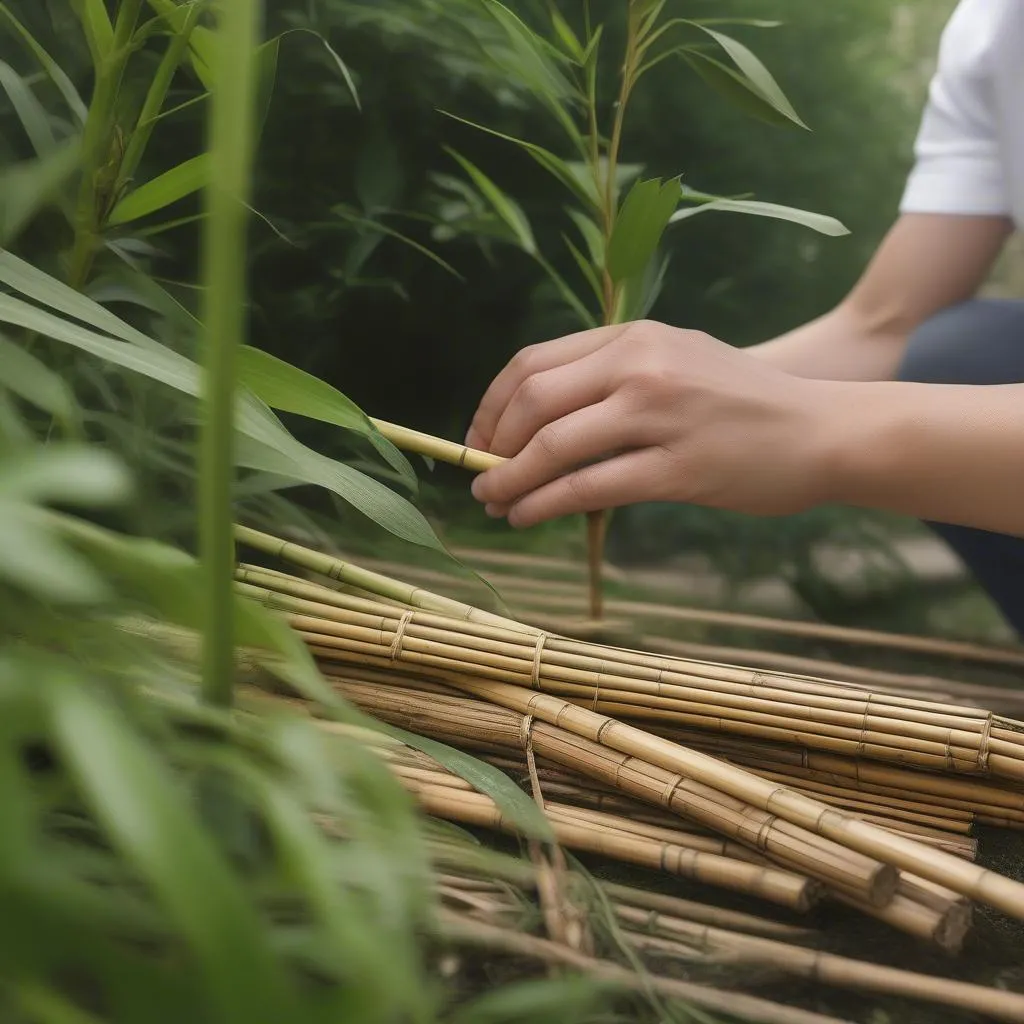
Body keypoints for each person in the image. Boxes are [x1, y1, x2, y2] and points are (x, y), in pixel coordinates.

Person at [463, 0, 1024, 637]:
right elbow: (886, 322)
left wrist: (821, 432)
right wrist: (648, 401)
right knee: (963, 355)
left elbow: (833, 401)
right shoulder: (992, 29)